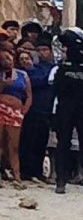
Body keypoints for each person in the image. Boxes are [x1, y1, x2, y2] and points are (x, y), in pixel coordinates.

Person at [52, 28, 83, 195]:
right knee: (62, 144)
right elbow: (54, 91)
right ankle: (60, 181)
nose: (65, 49)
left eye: (67, 46)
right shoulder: (63, 67)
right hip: (65, 110)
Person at [18, 36, 54, 182]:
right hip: (28, 109)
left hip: (45, 110)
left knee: (41, 142)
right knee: (26, 141)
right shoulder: (25, 67)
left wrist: (30, 70)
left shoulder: (52, 68)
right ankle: (25, 171)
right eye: (38, 50)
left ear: (51, 51)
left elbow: (41, 80)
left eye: (44, 50)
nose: (41, 53)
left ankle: (37, 171)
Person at [0, 47, 32, 186]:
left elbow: (29, 94)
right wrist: (3, 84)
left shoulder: (22, 74)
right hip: (1, 107)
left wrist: (25, 108)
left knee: (14, 145)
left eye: (9, 58)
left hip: (16, 110)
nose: (8, 61)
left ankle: (16, 175)